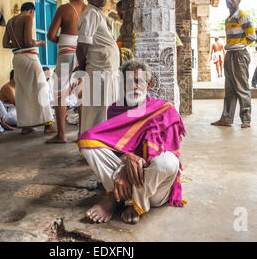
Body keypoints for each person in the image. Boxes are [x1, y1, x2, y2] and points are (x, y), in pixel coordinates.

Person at [78, 60, 186, 224]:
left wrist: (128, 171)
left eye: (138, 81)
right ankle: (129, 199)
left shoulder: (165, 110)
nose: (134, 87)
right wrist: (127, 158)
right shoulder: (115, 110)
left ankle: (118, 200)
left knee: (168, 162)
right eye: (128, 82)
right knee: (88, 144)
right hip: (128, 173)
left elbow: (166, 151)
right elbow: (113, 148)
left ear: (148, 85)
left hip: (154, 189)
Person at [3, 2, 56, 135]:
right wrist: (40, 42)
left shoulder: (10, 22)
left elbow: (5, 43)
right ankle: (48, 125)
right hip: (29, 57)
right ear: (32, 11)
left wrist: (17, 45)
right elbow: (28, 42)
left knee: (23, 91)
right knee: (41, 87)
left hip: (17, 59)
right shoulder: (27, 18)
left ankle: (26, 126)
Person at [76, 0, 120, 134]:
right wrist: (82, 69)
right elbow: (82, 45)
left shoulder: (97, 13)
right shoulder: (90, 13)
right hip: (98, 72)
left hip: (105, 72)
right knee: (97, 113)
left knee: (104, 111)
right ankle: (92, 146)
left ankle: (99, 145)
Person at [46, 0, 86, 143]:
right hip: (84, 52)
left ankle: (61, 135)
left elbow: (50, 35)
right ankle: (82, 134)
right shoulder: (89, 9)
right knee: (82, 93)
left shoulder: (64, 8)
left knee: (59, 94)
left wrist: (61, 41)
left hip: (66, 52)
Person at [211, 0, 256, 128]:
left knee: (242, 88)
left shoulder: (243, 16)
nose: (229, 1)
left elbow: (252, 37)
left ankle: (246, 120)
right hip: (229, 55)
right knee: (229, 89)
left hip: (239, 55)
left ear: (238, 0)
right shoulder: (228, 19)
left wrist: (240, 46)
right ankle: (226, 119)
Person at [116, 0, 133, 65]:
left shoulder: (130, 23)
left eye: (118, 10)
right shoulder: (125, 23)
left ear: (123, 10)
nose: (117, 13)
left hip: (130, 55)